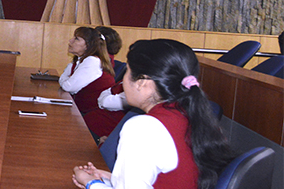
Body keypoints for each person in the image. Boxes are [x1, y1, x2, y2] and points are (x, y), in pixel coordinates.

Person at [72, 39, 234, 189]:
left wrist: (90, 183)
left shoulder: (144, 127)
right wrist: (113, 178)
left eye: (127, 72)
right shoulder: (189, 113)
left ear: (142, 82)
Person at [59, 27, 115, 115]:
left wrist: (64, 80)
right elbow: (66, 81)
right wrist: (65, 80)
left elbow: (68, 87)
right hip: (82, 110)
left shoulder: (92, 61)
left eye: (77, 39)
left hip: (92, 114)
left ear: (88, 45)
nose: (70, 41)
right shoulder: (83, 59)